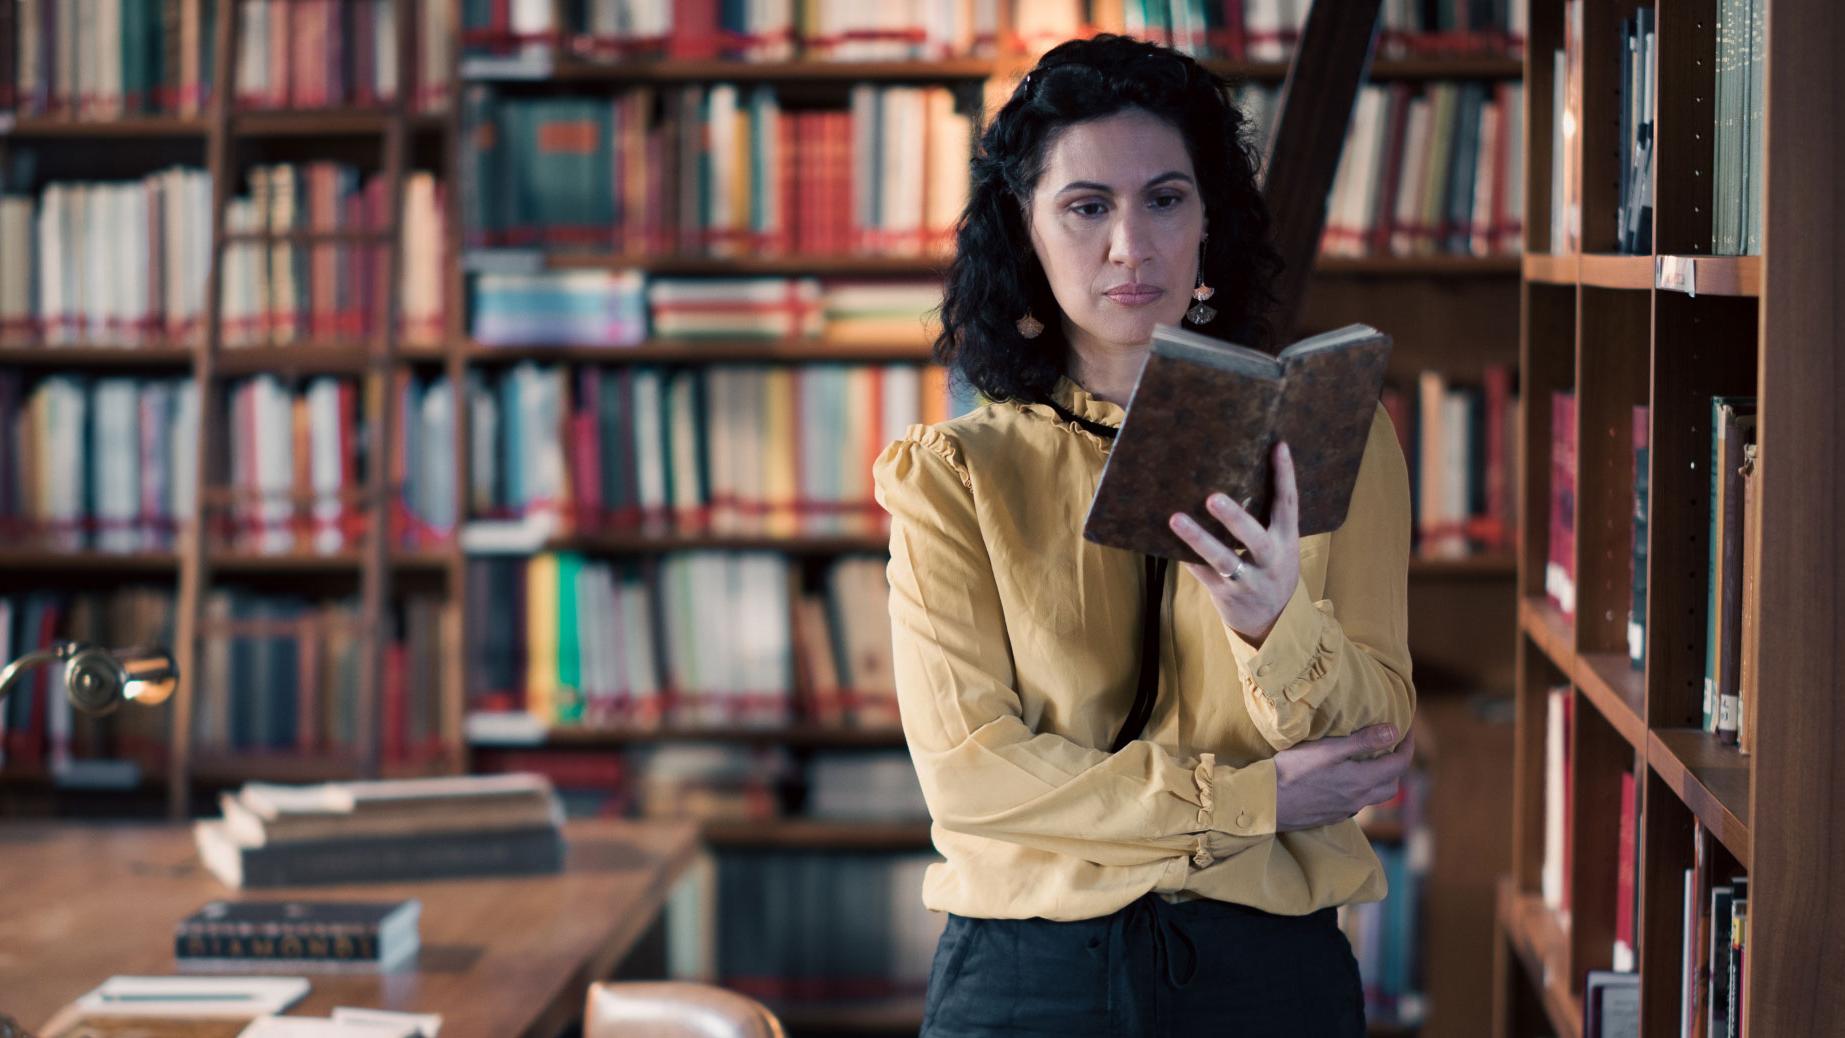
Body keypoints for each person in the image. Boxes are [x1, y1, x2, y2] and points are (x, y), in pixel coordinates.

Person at [870, 34, 1419, 1037]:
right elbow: (972, 779)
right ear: (1024, 232)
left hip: (1267, 978)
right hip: (1029, 977)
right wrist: (1250, 804)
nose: (1133, 246)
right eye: (1087, 208)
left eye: (1166, 199)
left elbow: (1375, 733)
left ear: (1209, 221)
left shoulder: (1333, 433)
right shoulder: (954, 475)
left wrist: (1273, 624)